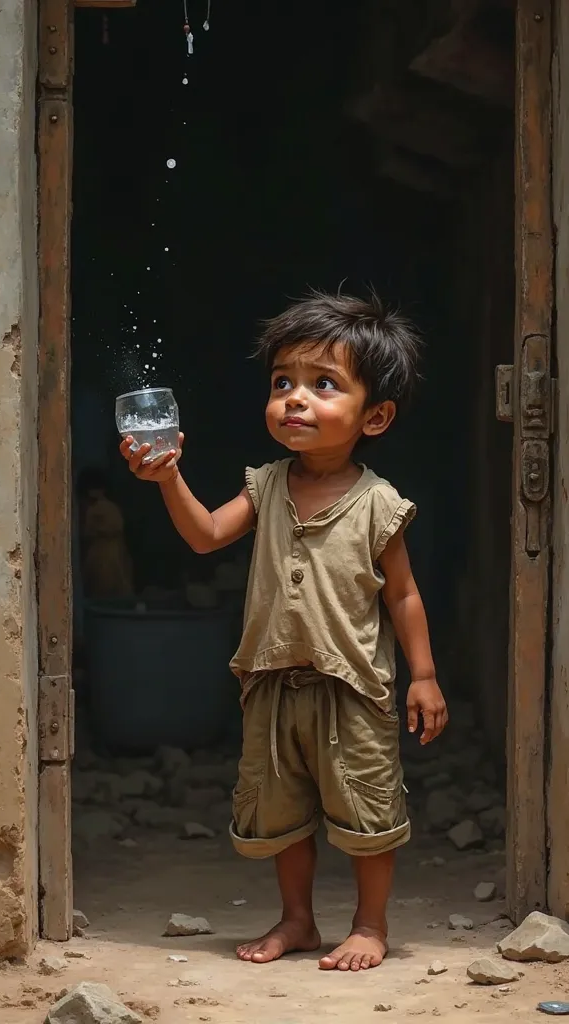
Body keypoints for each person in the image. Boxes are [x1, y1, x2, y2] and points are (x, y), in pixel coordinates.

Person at [120, 291, 448, 972]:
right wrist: (168, 477)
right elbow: (207, 534)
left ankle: (370, 925)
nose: (294, 399)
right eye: (282, 383)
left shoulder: (378, 503)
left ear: (375, 416)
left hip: (352, 685)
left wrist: (423, 676)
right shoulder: (266, 486)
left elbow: (406, 594)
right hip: (271, 682)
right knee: (282, 812)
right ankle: (298, 921)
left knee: (366, 809)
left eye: (323, 385)